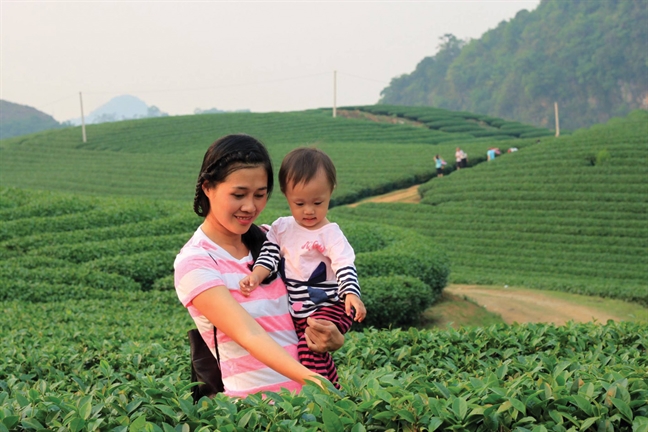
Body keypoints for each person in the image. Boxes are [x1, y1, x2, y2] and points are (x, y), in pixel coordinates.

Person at [174, 134, 344, 398]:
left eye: (260, 194)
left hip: (309, 404)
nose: (250, 206)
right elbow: (249, 333)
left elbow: (320, 291)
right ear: (208, 187)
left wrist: (333, 337)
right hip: (255, 411)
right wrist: (315, 380)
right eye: (238, 194)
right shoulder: (196, 262)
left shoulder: (273, 241)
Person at [240, 147, 366, 389]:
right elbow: (269, 253)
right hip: (299, 309)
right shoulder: (281, 228)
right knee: (315, 351)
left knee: (309, 349)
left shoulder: (331, 233)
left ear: (331, 192)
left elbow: (343, 264)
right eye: (299, 203)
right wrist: (256, 275)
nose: (309, 210)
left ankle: (320, 398)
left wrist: (351, 294)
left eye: (318, 202)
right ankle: (335, 390)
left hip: (331, 304)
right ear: (286, 196)